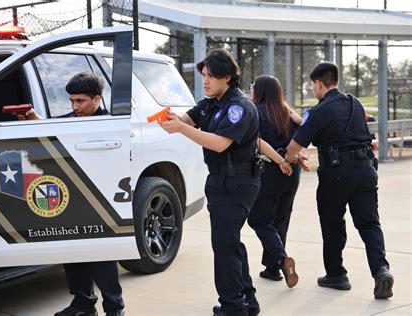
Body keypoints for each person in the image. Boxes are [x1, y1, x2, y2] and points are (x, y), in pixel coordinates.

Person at [160, 49, 261, 316]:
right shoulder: (211, 102)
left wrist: (182, 129)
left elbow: (219, 144)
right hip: (221, 181)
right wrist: (171, 119)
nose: (204, 81)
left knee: (224, 247)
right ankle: (247, 301)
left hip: (237, 181)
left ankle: (232, 306)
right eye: (203, 75)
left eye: (210, 76)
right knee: (230, 243)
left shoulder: (238, 106)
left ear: (227, 77)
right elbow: (187, 119)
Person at [285, 62, 394, 300]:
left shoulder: (319, 111)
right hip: (365, 171)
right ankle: (381, 271)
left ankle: (336, 275)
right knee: (370, 225)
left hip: (336, 174)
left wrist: (290, 158)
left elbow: (295, 145)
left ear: (317, 83)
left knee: (333, 224)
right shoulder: (354, 103)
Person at [21, 71, 124, 316]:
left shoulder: (111, 123)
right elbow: (50, 131)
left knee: (102, 255)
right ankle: (83, 304)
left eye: (80, 101)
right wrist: (33, 117)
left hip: (101, 200)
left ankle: (114, 307)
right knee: (73, 252)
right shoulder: (68, 120)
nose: (74, 106)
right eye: (72, 101)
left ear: (97, 99)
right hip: (71, 197)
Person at [247, 75, 309, 288]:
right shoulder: (289, 112)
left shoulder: (255, 112)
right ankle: (273, 269)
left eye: (253, 87)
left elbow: (256, 143)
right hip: (293, 171)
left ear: (261, 90)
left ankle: (281, 259)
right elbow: (302, 136)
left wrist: (280, 159)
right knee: (280, 220)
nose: (251, 90)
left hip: (270, 170)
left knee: (259, 220)